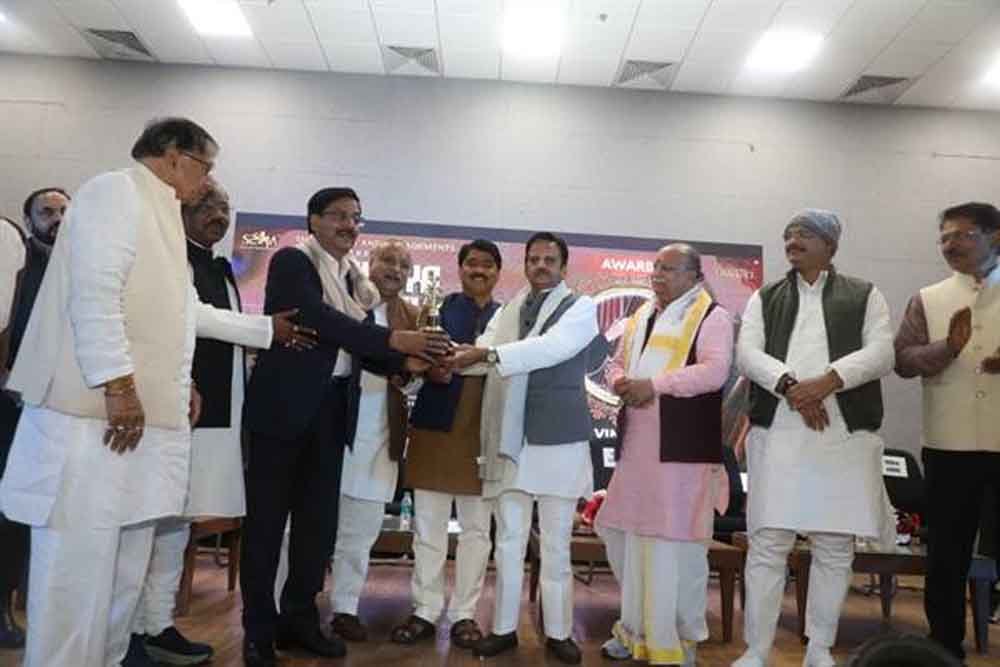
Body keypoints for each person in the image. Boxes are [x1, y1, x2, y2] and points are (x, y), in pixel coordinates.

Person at [0, 117, 219, 667]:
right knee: (76, 575)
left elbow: (173, 315)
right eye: (204, 166)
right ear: (173, 156)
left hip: (134, 427)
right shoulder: (115, 192)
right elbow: (95, 296)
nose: (208, 181)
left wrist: (185, 379)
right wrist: (118, 385)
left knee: (121, 575)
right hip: (90, 418)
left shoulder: (161, 211)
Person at [239, 187, 449, 666]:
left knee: (316, 528)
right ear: (313, 220)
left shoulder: (355, 281)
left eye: (356, 217)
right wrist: (396, 341)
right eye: (339, 216)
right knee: (267, 526)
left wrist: (408, 362)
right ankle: (258, 630)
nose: (350, 225)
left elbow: (358, 346)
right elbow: (319, 321)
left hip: (334, 412)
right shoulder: (293, 261)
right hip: (282, 411)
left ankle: (299, 621)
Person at [128, 178, 315, 665]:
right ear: (180, 209)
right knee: (150, 522)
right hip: (174, 408)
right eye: (207, 204)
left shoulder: (217, 265)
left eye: (225, 207)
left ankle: (156, 624)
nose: (218, 214)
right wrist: (267, 329)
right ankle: (126, 633)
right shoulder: (169, 258)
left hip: (216, 414)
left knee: (178, 523)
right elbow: (195, 316)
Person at [733, 209, 895, 667]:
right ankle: (756, 650)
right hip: (779, 433)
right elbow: (747, 354)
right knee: (768, 544)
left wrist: (828, 381)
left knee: (834, 547)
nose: (793, 240)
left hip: (841, 436)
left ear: (830, 245)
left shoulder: (864, 294)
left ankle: (819, 649)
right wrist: (791, 388)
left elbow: (883, 352)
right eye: (788, 234)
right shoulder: (766, 296)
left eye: (804, 233)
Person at [454, 231, 598, 665]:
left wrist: (485, 355)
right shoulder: (511, 309)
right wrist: (450, 357)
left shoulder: (582, 308)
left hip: (559, 439)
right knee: (509, 542)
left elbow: (550, 349)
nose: (540, 266)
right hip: (512, 439)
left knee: (555, 546)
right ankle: (503, 629)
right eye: (533, 259)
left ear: (564, 267)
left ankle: (559, 633)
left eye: (549, 260)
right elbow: (483, 351)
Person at [595, 243, 733, 666]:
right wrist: (620, 380)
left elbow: (714, 371)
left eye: (669, 269)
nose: (658, 275)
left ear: (695, 276)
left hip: (681, 452)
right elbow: (616, 362)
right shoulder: (642, 315)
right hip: (638, 449)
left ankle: (678, 640)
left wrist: (653, 386)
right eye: (655, 268)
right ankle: (634, 629)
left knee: (676, 548)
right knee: (625, 535)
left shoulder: (713, 316)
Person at [894, 202, 1000, 661]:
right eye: (944, 238)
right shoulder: (929, 297)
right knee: (946, 553)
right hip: (948, 443)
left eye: (963, 235)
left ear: (995, 237)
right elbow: (902, 359)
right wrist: (947, 348)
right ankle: (944, 648)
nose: (950, 245)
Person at [389, 239, 502, 649]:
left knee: (477, 531)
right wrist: (426, 372)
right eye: (472, 263)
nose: (479, 270)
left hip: (483, 433)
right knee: (428, 528)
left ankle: (464, 615)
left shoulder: (508, 318)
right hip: (434, 428)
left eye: (487, 264)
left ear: (497, 272)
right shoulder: (436, 309)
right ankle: (425, 609)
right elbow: (412, 367)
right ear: (460, 268)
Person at [328, 240, 419, 641]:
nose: (394, 270)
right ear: (371, 263)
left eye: (403, 265)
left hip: (382, 435)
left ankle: (345, 608)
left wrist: (408, 376)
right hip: (332, 428)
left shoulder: (413, 317)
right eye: (387, 260)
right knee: (308, 525)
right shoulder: (346, 300)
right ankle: (289, 605)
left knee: (361, 530)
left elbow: (416, 377)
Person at [0, 189, 70, 648]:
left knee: (25, 509)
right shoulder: (15, 261)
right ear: (29, 222)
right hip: (8, 402)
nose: (58, 218)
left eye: (65, 211)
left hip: (49, 409)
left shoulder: (76, 266)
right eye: (47, 212)